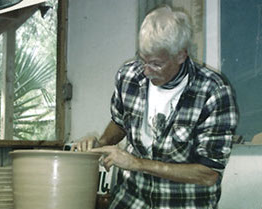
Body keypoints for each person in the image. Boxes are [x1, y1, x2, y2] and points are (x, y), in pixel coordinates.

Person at [72, 5, 239, 209]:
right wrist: (100, 143)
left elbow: (208, 174)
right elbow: (120, 122)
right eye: (143, 60)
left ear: (181, 55)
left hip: (184, 202)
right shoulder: (129, 77)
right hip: (131, 198)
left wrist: (137, 164)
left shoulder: (213, 92)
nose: (147, 71)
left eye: (157, 64)